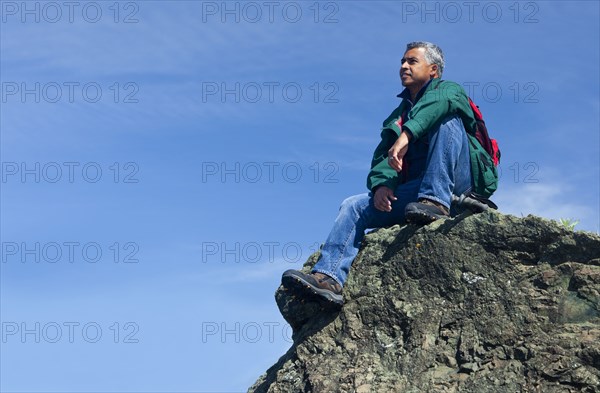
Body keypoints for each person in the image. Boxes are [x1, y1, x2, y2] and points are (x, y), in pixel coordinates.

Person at [281, 41, 497, 306]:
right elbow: (384, 157)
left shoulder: (450, 90)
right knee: (353, 205)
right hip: (417, 196)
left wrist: (408, 134)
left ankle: (437, 202)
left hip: (457, 185)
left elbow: (441, 104)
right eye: (402, 62)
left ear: (434, 70)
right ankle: (329, 279)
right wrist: (383, 185)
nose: (403, 66)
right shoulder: (398, 114)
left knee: (447, 121)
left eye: (412, 61)